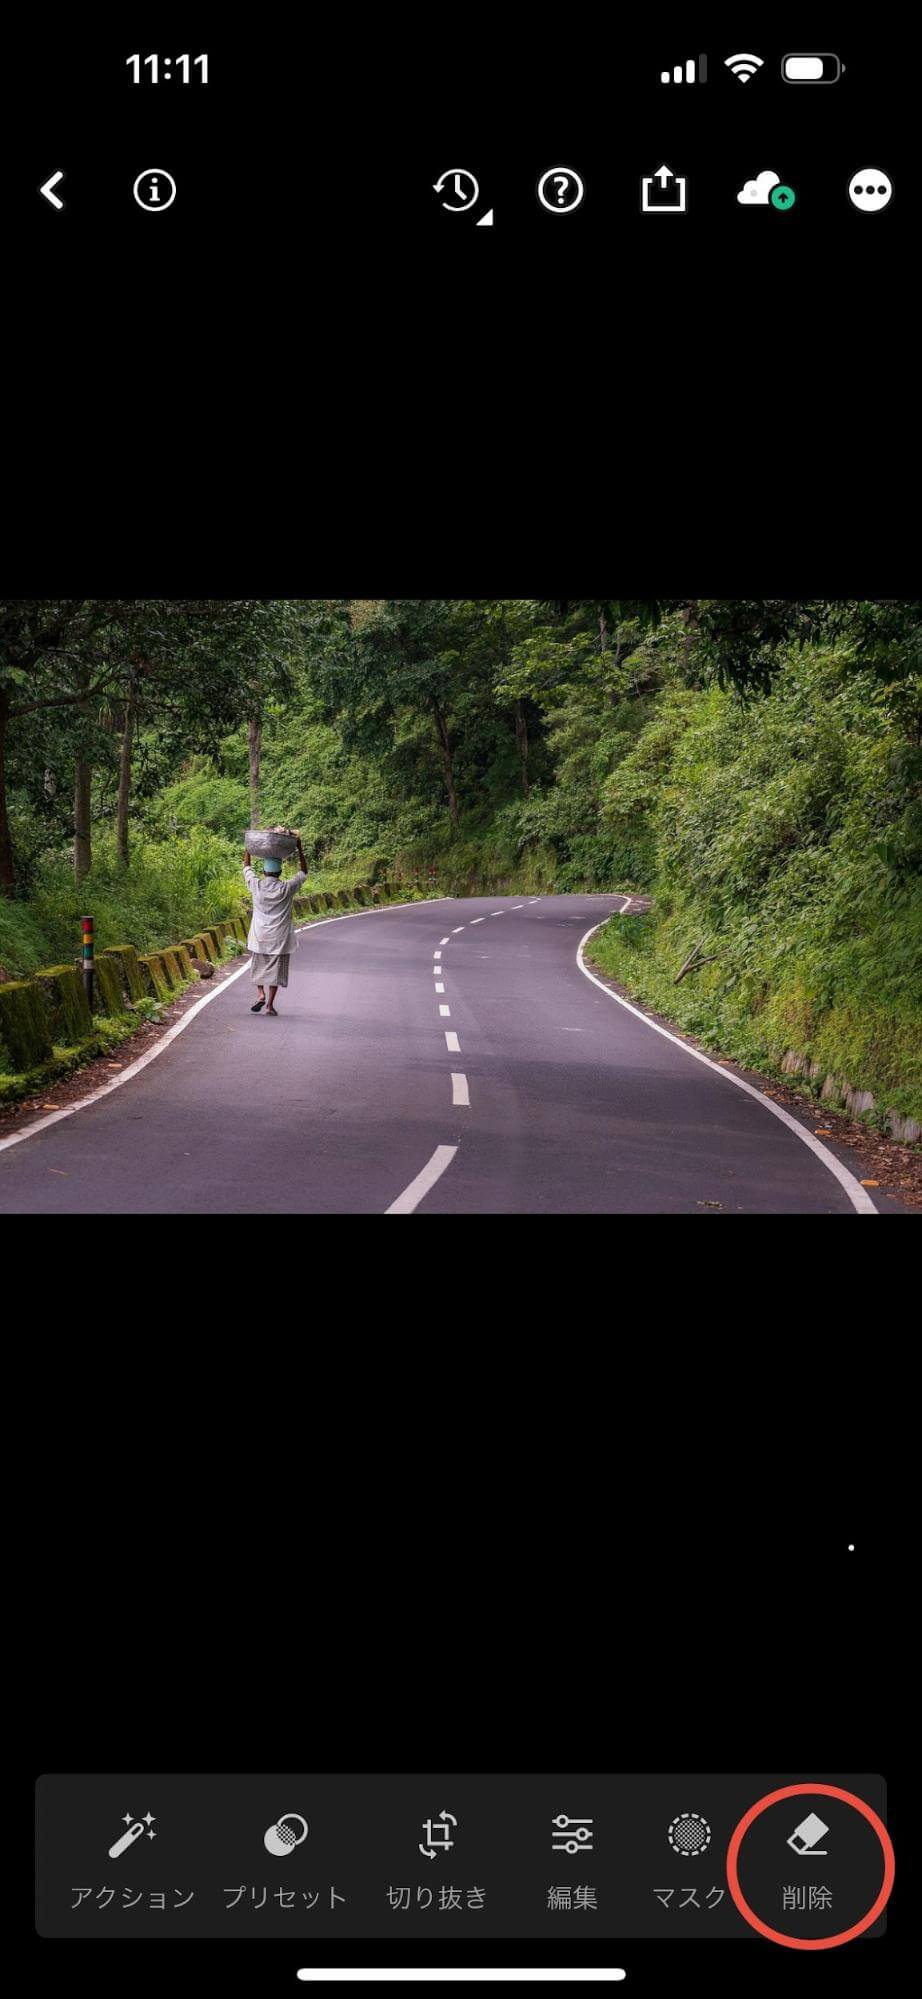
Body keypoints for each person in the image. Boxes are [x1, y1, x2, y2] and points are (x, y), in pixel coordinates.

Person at [242, 834, 308, 1015]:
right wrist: (300, 848)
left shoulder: (256, 886)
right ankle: (270, 1005)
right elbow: (303, 873)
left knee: (258, 967)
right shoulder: (287, 888)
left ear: (264, 872)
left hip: (260, 935)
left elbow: (246, 867)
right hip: (279, 938)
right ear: (279, 872)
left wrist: (249, 847)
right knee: (276, 972)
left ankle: (260, 993)